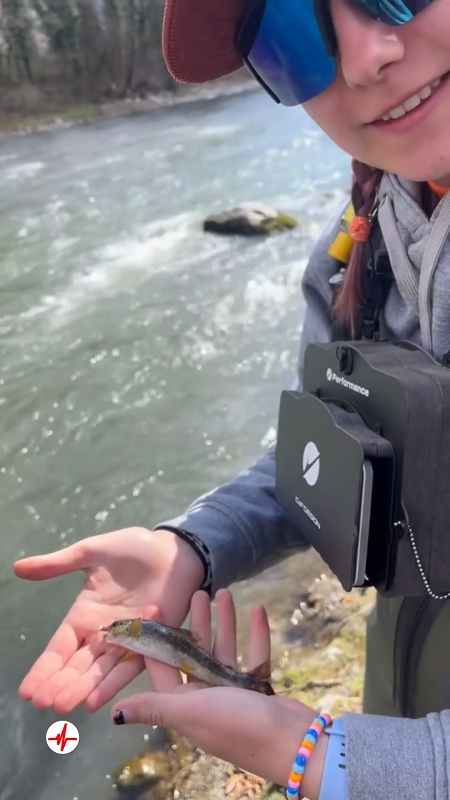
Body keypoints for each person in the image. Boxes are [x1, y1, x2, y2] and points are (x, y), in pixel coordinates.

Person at [13, 0, 450, 796]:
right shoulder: (357, 249)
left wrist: (339, 762)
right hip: (403, 668)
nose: (363, 59)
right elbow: (331, 457)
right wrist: (191, 545)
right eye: (291, 38)